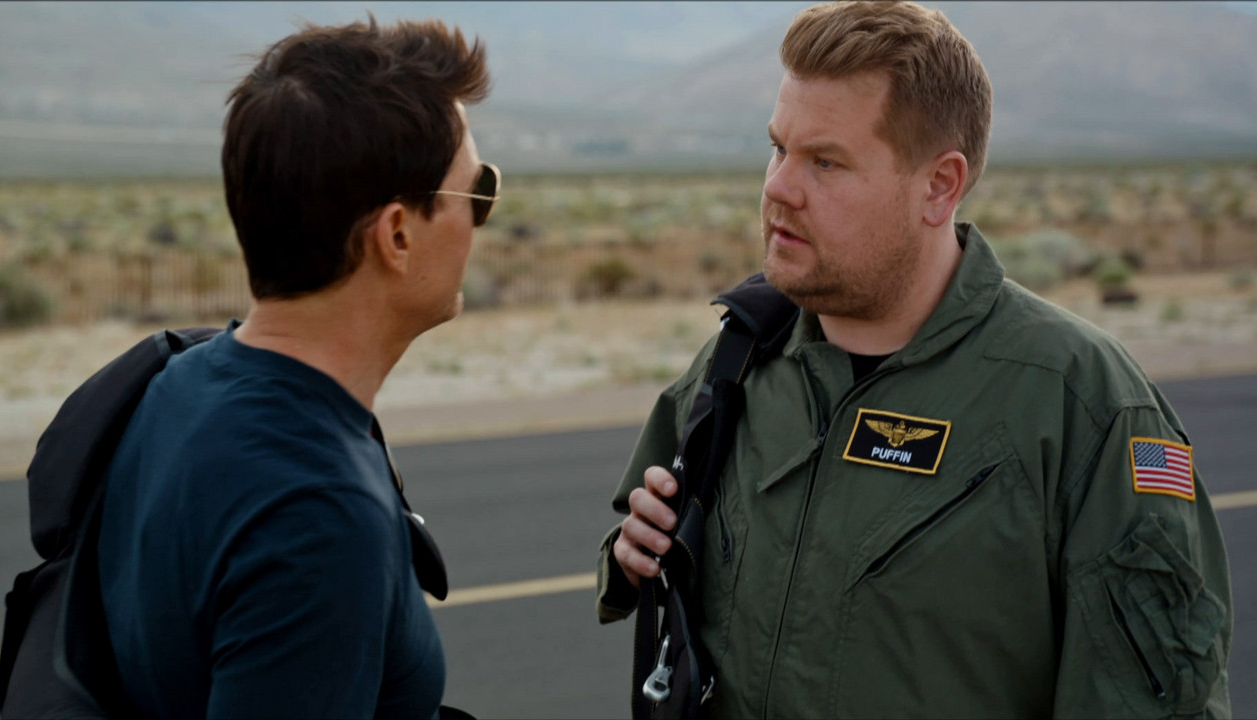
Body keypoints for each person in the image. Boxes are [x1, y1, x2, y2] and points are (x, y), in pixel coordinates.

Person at [596, 2, 1233, 717]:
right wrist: (637, 550)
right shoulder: (742, 356)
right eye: (778, 148)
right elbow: (635, 536)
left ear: (939, 186)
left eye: (825, 161)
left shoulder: (1082, 404)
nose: (778, 187)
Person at [95, 16, 496, 719]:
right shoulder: (316, 518)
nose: (483, 218)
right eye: (479, 191)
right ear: (397, 235)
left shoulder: (175, 385)